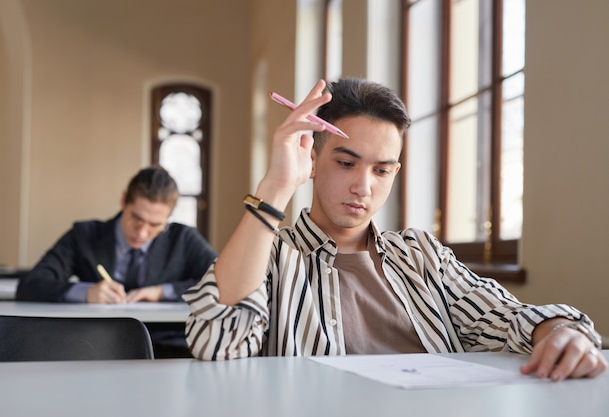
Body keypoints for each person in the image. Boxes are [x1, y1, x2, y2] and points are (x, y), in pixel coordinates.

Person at [183, 78, 606, 380]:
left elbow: (507, 317)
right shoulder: (270, 255)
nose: (363, 186)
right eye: (346, 163)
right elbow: (218, 343)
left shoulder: (420, 254)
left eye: (381, 170)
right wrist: (275, 188)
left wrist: (560, 331)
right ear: (311, 159)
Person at [17, 165, 217, 304]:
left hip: (169, 346)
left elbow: (223, 280)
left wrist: (161, 292)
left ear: (168, 219)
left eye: (155, 225)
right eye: (136, 218)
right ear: (123, 201)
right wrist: (86, 293)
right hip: (96, 344)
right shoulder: (85, 235)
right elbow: (31, 285)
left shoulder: (183, 239)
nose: (142, 232)